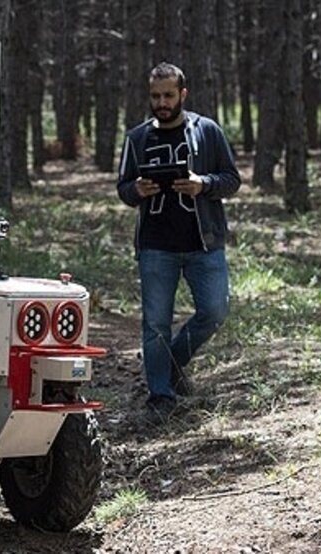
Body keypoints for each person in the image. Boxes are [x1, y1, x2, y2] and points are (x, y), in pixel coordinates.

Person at [115, 62, 241, 424]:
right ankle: (160, 396)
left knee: (214, 311)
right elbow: (124, 188)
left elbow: (232, 180)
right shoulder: (137, 138)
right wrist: (136, 190)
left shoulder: (207, 131)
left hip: (205, 243)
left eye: (169, 95)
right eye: (156, 96)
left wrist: (203, 184)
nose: (162, 102)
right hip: (156, 245)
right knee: (155, 323)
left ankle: (168, 364)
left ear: (182, 94)